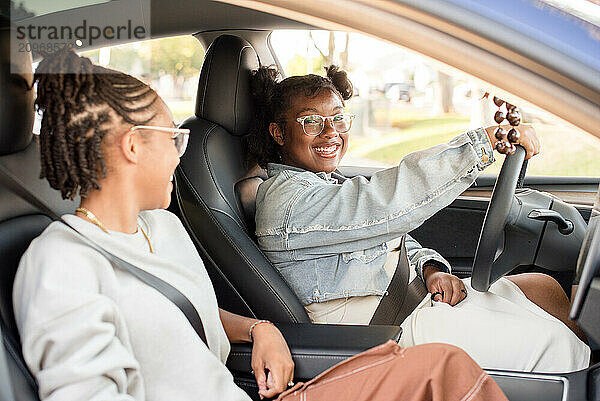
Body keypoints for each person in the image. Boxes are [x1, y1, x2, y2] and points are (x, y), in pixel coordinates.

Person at [11, 48, 509, 401]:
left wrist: (258, 328)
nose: (179, 153)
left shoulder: (160, 229)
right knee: (444, 371)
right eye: (172, 138)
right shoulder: (61, 263)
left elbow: (195, 316)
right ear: (134, 145)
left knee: (443, 370)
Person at [248, 65, 591, 373]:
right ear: (278, 133)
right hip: (388, 327)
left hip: (416, 298)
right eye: (311, 121)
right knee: (557, 348)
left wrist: (431, 269)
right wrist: (486, 143)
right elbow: (383, 206)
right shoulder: (288, 202)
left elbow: (386, 235)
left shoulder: (321, 183)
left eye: (338, 118)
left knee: (543, 291)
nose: (330, 132)